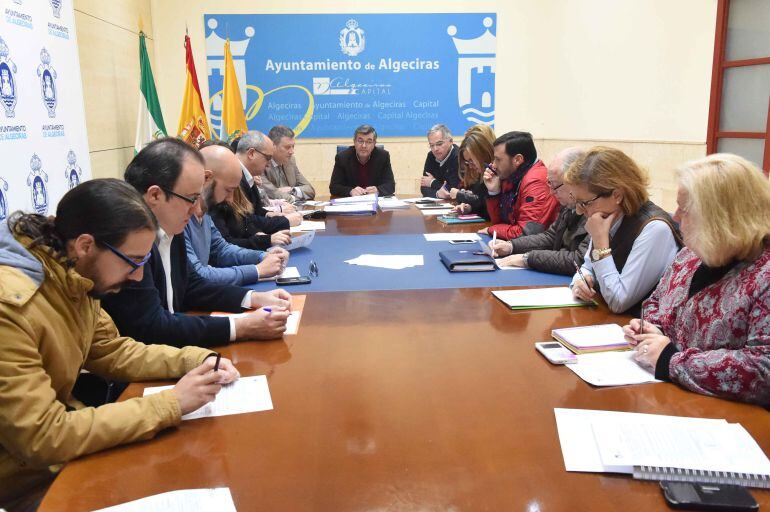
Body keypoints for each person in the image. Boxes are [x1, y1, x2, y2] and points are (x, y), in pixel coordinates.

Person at [0, 179, 240, 510]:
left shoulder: (71, 275)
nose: (137, 277)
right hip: (25, 484)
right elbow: (43, 436)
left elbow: (113, 350)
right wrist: (171, 403)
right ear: (85, 245)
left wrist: (196, 359)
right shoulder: (10, 308)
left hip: (57, 464)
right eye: (133, 261)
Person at [101, 137, 291, 348]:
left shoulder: (172, 225)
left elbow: (192, 286)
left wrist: (253, 298)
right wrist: (240, 326)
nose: (195, 209)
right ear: (155, 195)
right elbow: (152, 327)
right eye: (191, 198)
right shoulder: (127, 242)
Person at [622, 154, 770, 405]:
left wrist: (671, 360)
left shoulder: (763, 275)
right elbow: (656, 300)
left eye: (685, 209)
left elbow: (763, 368)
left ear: (722, 217)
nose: (676, 216)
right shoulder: (692, 253)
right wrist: (652, 327)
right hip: (671, 396)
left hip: (729, 418)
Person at [567, 147, 681, 315]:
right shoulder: (607, 217)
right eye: (576, 201)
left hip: (639, 330)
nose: (578, 210)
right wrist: (580, 281)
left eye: (585, 202)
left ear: (617, 195)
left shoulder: (655, 229)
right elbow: (587, 267)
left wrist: (600, 243)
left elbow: (619, 301)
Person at [184, 143, 289, 286]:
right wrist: (257, 270)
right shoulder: (180, 217)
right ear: (206, 178)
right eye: (228, 190)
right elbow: (198, 275)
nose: (230, 199)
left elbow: (221, 249)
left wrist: (263, 256)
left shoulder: (205, 212)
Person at [490, 147, 589, 274]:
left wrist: (528, 258)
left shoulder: (595, 209)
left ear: (575, 180)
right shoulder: (569, 203)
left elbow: (579, 260)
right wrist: (511, 246)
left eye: (555, 186)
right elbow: (550, 237)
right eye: (550, 184)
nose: (551, 192)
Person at [481, 131, 560, 240]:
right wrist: (494, 192)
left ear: (518, 159)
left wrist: (492, 230)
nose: (493, 165)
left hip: (537, 250)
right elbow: (499, 222)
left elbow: (528, 234)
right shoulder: (512, 175)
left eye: (498, 159)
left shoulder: (536, 182)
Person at [235, 131, 301, 229]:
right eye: (268, 158)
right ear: (251, 153)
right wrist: (285, 222)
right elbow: (244, 222)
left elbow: (256, 211)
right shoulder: (234, 177)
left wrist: (269, 214)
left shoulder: (248, 176)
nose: (269, 164)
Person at [442, 124, 495, 218]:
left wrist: (460, 195)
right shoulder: (477, 172)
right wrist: (469, 207)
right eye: (467, 162)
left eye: (471, 160)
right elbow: (482, 205)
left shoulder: (497, 171)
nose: (470, 166)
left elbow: (491, 206)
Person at [329, 124, 396, 197]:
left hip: (375, 203)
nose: (364, 146)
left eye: (369, 142)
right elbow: (334, 187)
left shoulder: (383, 156)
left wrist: (378, 190)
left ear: (374, 144)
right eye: (360, 141)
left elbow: (391, 185)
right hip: (352, 204)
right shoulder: (342, 157)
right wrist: (350, 191)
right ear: (354, 142)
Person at [262, 125, 315, 202]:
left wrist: (292, 190)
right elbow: (271, 194)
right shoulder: (262, 163)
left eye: (293, 146)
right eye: (287, 147)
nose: (292, 151)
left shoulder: (290, 161)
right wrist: (294, 198)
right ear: (273, 146)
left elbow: (310, 190)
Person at [420, 124, 459, 198]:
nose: (435, 149)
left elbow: (453, 190)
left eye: (439, 144)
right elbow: (424, 186)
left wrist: (432, 182)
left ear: (450, 141)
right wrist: (437, 194)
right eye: (431, 145)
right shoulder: (431, 155)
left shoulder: (458, 156)